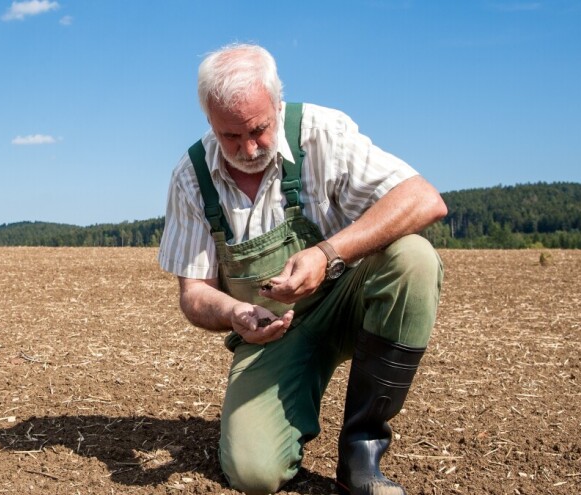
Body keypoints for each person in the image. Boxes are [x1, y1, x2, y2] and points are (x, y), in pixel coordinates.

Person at [157, 43, 447, 495]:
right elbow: (194, 293)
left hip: (351, 300)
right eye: (230, 136)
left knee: (414, 258)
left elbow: (424, 199)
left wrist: (327, 254)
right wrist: (236, 313)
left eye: (259, 129)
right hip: (274, 333)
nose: (249, 148)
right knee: (255, 474)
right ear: (209, 121)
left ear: (277, 103)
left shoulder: (321, 133)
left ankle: (361, 454)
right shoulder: (191, 177)